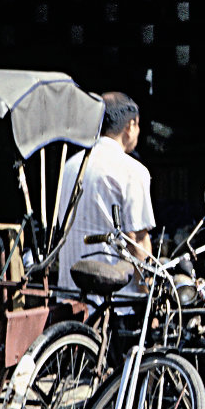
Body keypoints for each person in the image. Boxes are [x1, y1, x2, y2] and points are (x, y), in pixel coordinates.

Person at [56, 91, 155, 295]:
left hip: (68, 293)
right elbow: (136, 241)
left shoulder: (70, 167)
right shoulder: (132, 170)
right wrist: (149, 295)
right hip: (115, 304)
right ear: (130, 126)